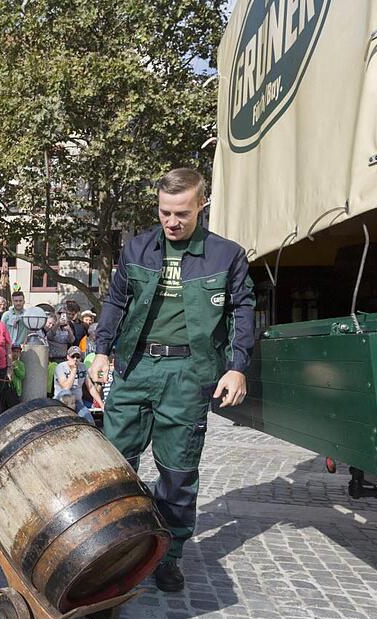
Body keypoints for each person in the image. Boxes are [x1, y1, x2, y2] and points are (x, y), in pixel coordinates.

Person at [89, 167, 254, 593]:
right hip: (135, 368)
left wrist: (237, 366)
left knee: (177, 472)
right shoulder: (136, 249)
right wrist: (101, 350)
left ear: (202, 205)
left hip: (187, 374)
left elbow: (242, 310)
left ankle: (170, 555)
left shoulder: (227, 256)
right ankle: (110, 546)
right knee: (114, 465)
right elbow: (114, 301)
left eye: (181, 212)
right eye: (164, 212)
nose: (172, 221)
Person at [53, 346, 102, 424]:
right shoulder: (60, 367)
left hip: (77, 401)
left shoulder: (83, 367)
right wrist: (74, 370)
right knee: (67, 394)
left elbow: (91, 387)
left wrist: (101, 404)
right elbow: (66, 388)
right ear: (67, 357)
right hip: (62, 401)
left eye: (77, 357)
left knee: (90, 421)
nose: (75, 359)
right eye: (73, 356)